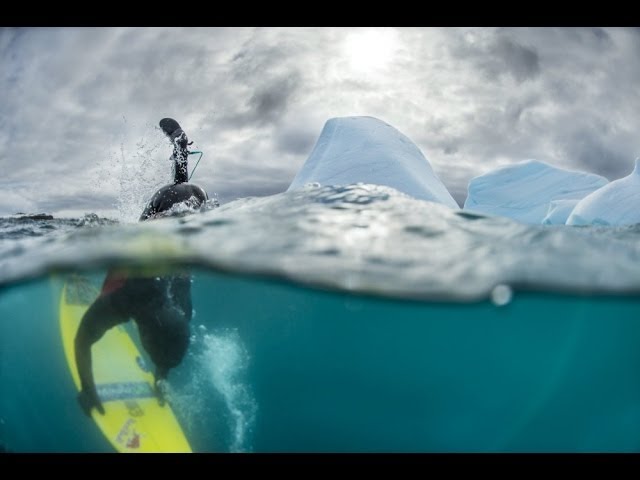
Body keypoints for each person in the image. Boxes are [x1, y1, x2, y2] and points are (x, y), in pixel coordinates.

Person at [75, 118, 208, 416]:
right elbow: (82, 339)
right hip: (187, 203)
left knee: (175, 200)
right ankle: (180, 149)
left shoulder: (176, 298)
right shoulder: (131, 299)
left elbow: (83, 339)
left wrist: (88, 389)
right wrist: (87, 390)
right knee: (167, 213)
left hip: (190, 201)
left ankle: (180, 148)